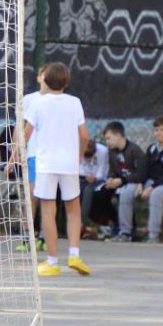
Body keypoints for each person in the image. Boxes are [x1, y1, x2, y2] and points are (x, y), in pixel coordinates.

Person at [22, 62, 90, 276]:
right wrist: (78, 156)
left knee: (48, 210)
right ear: (66, 81)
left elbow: (26, 133)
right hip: (69, 164)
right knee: (73, 209)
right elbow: (85, 135)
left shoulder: (38, 103)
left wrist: (17, 153)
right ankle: (74, 255)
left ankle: (52, 262)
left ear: (44, 79)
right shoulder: (75, 102)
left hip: (45, 164)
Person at [11, 63, 48, 253]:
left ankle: (45, 237)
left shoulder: (61, 101)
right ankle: (28, 238)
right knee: (30, 197)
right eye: (44, 75)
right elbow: (19, 126)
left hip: (50, 157)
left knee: (47, 199)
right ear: (39, 77)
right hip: (32, 156)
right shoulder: (28, 100)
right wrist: (15, 150)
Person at [103, 121, 146, 242]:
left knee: (125, 193)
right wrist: (110, 179)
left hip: (136, 182)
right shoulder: (112, 151)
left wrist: (121, 180)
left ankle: (126, 232)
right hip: (121, 182)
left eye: (109, 138)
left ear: (118, 135)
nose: (107, 142)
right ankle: (111, 227)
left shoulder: (134, 150)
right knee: (100, 193)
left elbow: (141, 174)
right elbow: (112, 170)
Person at [79, 139, 112, 237]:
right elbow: (78, 168)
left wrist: (95, 177)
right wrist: (85, 176)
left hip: (99, 179)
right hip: (83, 177)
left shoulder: (103, 151)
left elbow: (103, 171)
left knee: (88, 191)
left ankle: (81, 225)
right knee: (75, 191)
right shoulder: (77, 148)